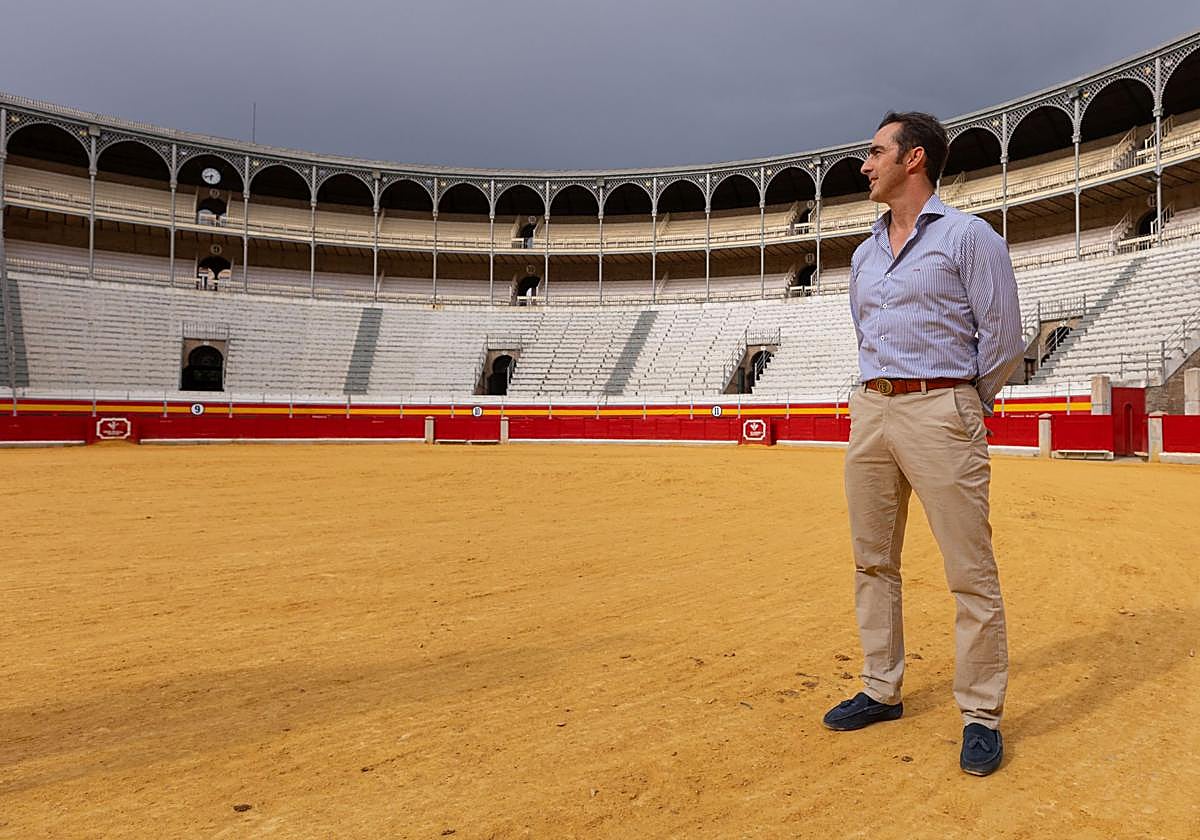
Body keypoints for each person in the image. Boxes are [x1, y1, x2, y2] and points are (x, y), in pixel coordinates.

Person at [821, 112, 1024, 777]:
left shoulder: (967, 236)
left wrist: (963, 400)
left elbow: (1001, 337)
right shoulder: (863, 252)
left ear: (913, 160)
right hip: (872, 408)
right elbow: (863, 328)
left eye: (874, 151)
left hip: (941, 407)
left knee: (970, 569)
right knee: (872, 560)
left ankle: (981, 712)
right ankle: (882, 687)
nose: (863, 163)